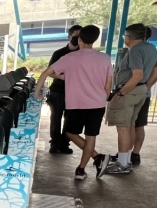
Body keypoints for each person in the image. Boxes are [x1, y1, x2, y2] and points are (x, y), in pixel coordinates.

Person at [34, 25, 111, 180]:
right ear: (95, 40)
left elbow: (46, 73)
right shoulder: (105, 58)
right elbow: (108, 84)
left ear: (79, 39)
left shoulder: (70, 58)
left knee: (70, 133)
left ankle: (94, 161)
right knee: (91, 137)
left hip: (76, 103)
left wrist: (37, 94)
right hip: (97, 103)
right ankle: (86, 166)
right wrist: (104, 98)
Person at [103, 23, 157, 175]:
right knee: (129, 126)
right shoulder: (151, 48)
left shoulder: (135, 50)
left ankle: (122, 164)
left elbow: (137, 75)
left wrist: (121, 93)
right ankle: (126, 159)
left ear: (130, 37)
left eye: (124, 36)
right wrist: (144, 87)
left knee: (123, 128)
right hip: (140, 91)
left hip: (129, 91)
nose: (124, 39)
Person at [46, 25, 82, 154]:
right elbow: (49, 72)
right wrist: (62, 77)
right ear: (69, 37)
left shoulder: (83, 55)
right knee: (56, 117)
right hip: (58, 91)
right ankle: (54, 143)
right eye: (75, 36)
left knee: (70, 118)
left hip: (75, 92)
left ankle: (64, 143)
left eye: (80, 37)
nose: (78, 39)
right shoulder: (59, 53)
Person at [131, 56, 157, 165]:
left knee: (131, 125)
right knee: (138, 125)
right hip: (142, 93)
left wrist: (147, 85)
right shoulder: (150, 52)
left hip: (134, 92)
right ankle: (135, 154)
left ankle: (128, 153)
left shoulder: (143, 51)